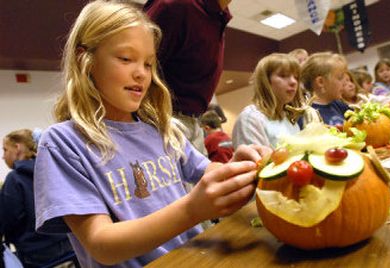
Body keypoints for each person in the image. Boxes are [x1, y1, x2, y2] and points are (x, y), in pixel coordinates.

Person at [33, 1, 270, 267]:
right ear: (84, 59)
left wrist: (241, 168)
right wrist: (192, 210)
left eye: (148, 64)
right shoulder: (63, 144)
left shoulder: (162, 129)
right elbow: (101, 244)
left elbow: (209, 173)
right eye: (126, 59)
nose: (141, 74)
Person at [143, 0, 232, 156]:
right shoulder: (175, 5)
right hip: (159, 121)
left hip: (193, 123)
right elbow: (137, 66)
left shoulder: (219, 15)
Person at [0, 129, 76, 267]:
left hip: (37, 255)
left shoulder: (15, 179)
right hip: (70, 246)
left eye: (5, 150)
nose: (3, 157)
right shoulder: (53, 170)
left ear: (17, 148)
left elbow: (8, 220)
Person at [232, 53, 305, 149]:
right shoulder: (251, 118)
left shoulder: (290, 120)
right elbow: (258, 162)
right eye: (283, 75)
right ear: (265, 81)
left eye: (296, 77)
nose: (293, 82)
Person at [301, 52, 350, 128]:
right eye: (340, 78)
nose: (345, 83)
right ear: (320, 82)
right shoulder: (308, 114)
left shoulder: (338, 104)